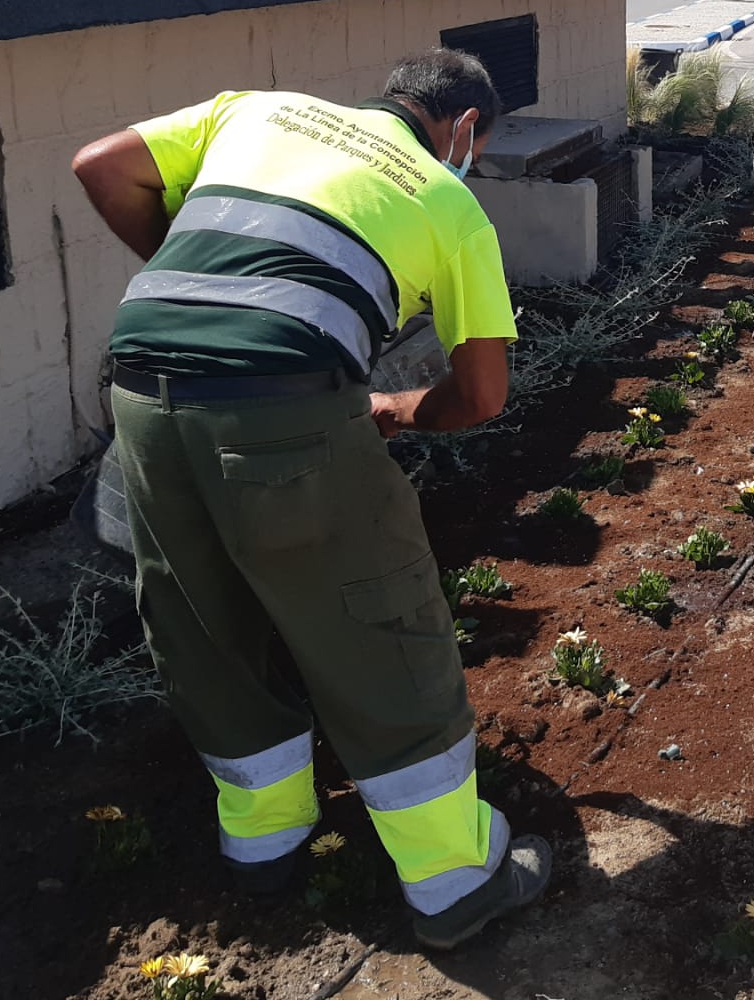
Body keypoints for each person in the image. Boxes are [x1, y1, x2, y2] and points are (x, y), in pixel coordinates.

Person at [71, 50, 550, 949]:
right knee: (380, 622)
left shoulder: (250, 111)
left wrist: (224, 294)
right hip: (281, 412)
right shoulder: (447, 199)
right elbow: (482, 394)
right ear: (466, 130)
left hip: (141, 390)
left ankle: (264, 841)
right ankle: (454, 880)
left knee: (203, 620)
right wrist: (398, 407)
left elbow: (102, 164)